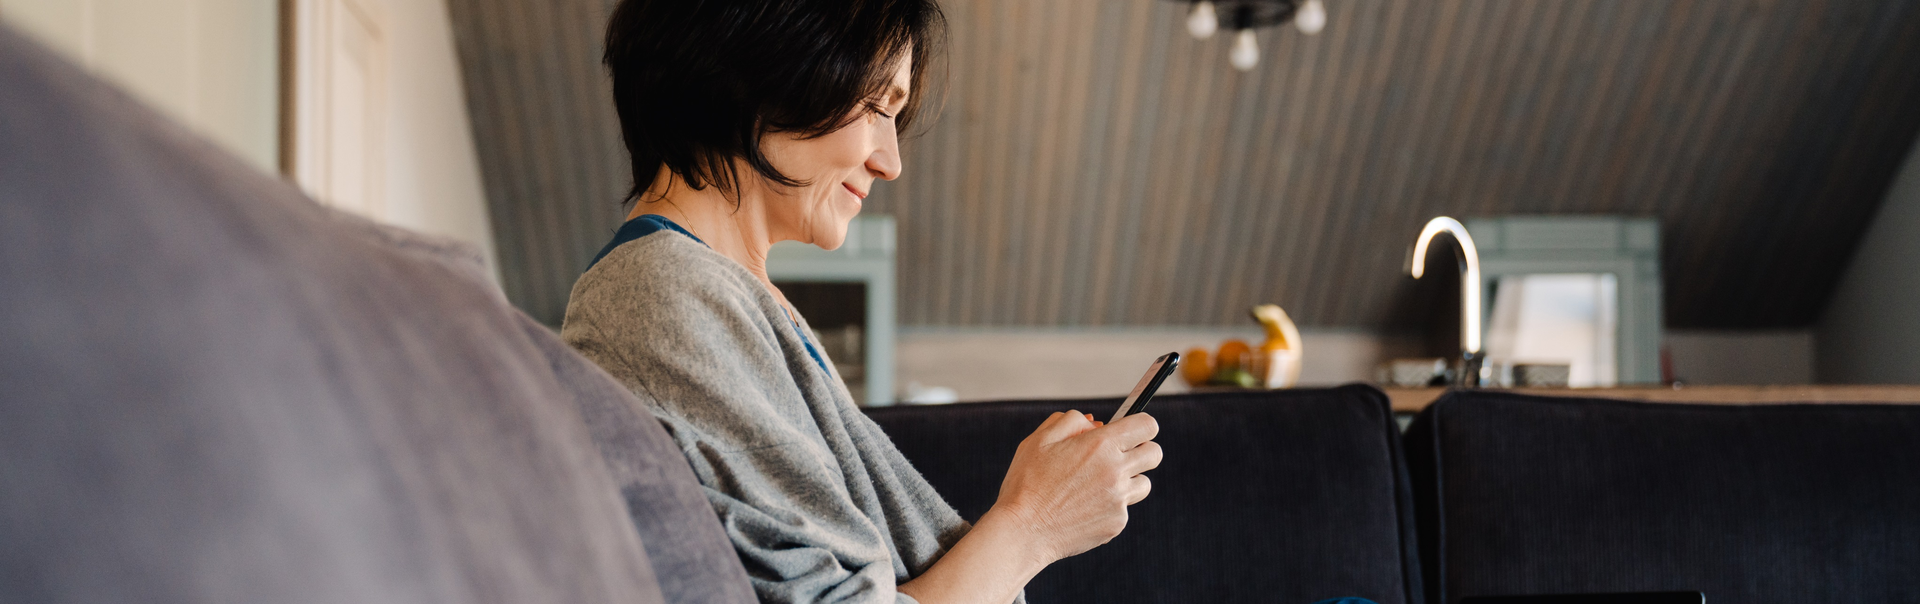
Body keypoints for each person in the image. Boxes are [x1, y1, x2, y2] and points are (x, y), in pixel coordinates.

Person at [562, 1, 1159, 603]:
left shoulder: (718, 295)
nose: (890, 162)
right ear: (754, 70)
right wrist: (1034, 524)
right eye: (875, 106)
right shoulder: (660, 294)